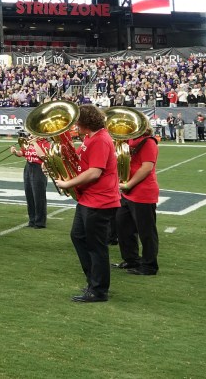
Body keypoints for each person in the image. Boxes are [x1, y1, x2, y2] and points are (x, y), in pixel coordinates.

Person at [55, 104, 121, 303]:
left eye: (78, 121)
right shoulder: (90, 137)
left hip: (100, 200)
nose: (75, 124)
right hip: (88, 198)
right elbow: (79, 161)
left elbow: (94, 172)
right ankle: (93, 281)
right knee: (78, 236)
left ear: (86, 121)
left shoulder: (100, 139)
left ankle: (99, 290)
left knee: (96, 246)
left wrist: (68, 183)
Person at [115, 127, 160, 276]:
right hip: (127, 193)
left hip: (143, 193)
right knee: (123, 227)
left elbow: (147, 167)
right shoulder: (128, 140)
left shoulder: (148, 142)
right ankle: (131, 259)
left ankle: (149, 266)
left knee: (146, 232)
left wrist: (129, 184)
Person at [11, 133, 48, 229]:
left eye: (33, 133)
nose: (31, 135)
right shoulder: (29, 142)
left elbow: (43, 156)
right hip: (28, 166)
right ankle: (32, 220)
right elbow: (22, 153)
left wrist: (35, 143)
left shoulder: (45, 143)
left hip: (39, 168)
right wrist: (15, 152)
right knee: (29, 194)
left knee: (39, 196)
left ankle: (40, 222)